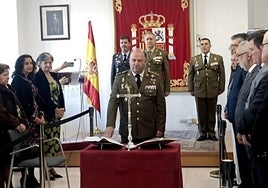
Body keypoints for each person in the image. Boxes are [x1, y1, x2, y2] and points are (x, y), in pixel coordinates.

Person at [104, 48, 166, 143]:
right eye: (133, 60)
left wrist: (160, 127)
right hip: (127, 130)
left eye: (139, 60)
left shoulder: (155, 78)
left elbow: (161, 105)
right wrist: (110, 125)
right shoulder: (120, 79)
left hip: (149, 129)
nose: (136, 63)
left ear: (145, 61)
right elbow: (113, 102)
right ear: (129, 61)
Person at [239, 31, 268, 188]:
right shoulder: (261, 71)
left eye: (263, 45)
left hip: (261, 141)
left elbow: (258, 107)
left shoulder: (265, 74)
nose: (250, 54)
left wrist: (243, 127)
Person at [11, 54, 44, 187]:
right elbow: (22, 103)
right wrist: (34, 118)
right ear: (20, 66)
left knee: (33, 148)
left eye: (31, 63)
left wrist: (40, 114)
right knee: (27, 149)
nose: (30, 65)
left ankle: (31, 176)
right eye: (26, 63)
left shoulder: (29, 78)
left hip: (35, 118)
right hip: (27, 120)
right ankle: (25, 177)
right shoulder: (18, 81)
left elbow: (35, 99)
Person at [34, 52, 65, 179]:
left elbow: (60, 93)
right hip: (47, 113)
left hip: (57, 114)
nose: (48, 65)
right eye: (45, 62)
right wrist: (54, 110)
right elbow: (42, 97)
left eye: (50, 62)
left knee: (54, 142)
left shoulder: (54, 75)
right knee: (46, 142)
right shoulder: (37, 77)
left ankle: (52, 168)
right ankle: (46, 169)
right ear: (39, 64)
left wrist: (62, 109)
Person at [188, 38, 225, 141]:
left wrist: (221, 88)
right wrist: (191, 88)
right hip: (199, 90)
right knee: (201, 113)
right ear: (200, 47)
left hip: (213, 90)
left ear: (210, 45)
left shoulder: (218, 58)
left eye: (206, 44)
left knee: (212, 112)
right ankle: (203, 133)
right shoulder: (194, 59)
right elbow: (190, 75)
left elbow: (221, 75)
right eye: (202, 44)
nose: (204, 46)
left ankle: (211, 132)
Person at [0, 64, 27, 188]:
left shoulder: (9, 89)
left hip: (11, 128)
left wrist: (23, 122)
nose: (7, 77)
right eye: (4, 75)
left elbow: (19, 107)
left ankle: (9, 184)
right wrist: (16, 123)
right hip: (3, 130)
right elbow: (2, 112)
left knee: (7, 161)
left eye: (7, 75)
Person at [143, 31, 170, 96]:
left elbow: (166, 73)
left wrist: (167, 89)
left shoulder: (162, 53)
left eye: (151, 39)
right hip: (144, 86)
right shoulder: (141, 54)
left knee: (160, 105)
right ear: (144, 41)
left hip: (158, 86)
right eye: (147, 39)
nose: (149, 41)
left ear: (155, 40)